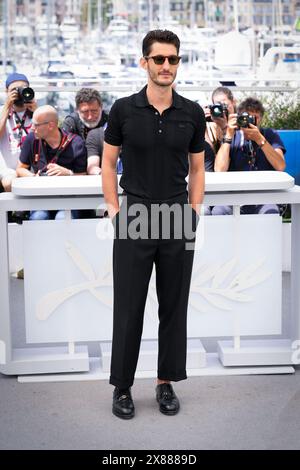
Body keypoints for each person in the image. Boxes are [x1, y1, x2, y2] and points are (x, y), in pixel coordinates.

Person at [102, 29, 206, 420]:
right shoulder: (124, 110)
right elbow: (109, 163)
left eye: (173, 59)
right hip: (134, 215)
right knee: (128, 307)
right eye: (159, 59)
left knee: (174, 305)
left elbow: (198, 168)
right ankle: (122, 387)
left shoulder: (192, 112)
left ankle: (166, 382)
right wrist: (115, 211)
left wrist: (193, 213)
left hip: (178, 217)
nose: (166, 66)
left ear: (178, 62)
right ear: (144, 62)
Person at [213, 97, 286, 215]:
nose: (250, 123)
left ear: (261, 119)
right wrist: (228, 135)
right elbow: (219, 170)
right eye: (246, 118)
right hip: (235, 196)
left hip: (264, 196)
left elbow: (280, 166)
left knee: (270, 211)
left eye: (254, 119)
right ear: (239, 118)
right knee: (219, 211)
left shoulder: (269, 134)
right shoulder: (233, 136)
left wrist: (260, 140)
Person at [16, 105, 87, 220]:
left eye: (36, 125)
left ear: (51, 125)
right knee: (39, 217)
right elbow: (20, 169)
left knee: (62, 218)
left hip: (68, 198)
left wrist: (68, 173)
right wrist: (34, 176)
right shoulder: (31, 139)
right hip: (40, 197)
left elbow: (84, 176)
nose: (32, 128)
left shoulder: (75, 143)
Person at [202, 86, 237, 215]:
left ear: (234, 102)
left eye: (224, 105)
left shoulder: (243, 125)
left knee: (219, 211)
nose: (220, 110)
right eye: (216, 106)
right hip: (214, 188)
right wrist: (201, 122)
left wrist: (226, 128)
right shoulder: (210, 128)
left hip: (234, 189)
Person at [0, 72, 37, 192]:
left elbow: (50, 137)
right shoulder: (2, 111)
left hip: (32, 168)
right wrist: (6, 107)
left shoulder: (37, 112)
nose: (19, 93)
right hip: (8, 170)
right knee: (10, 181)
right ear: (7, 92)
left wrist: (36, 112)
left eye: (23, 89)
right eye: (14, 90)